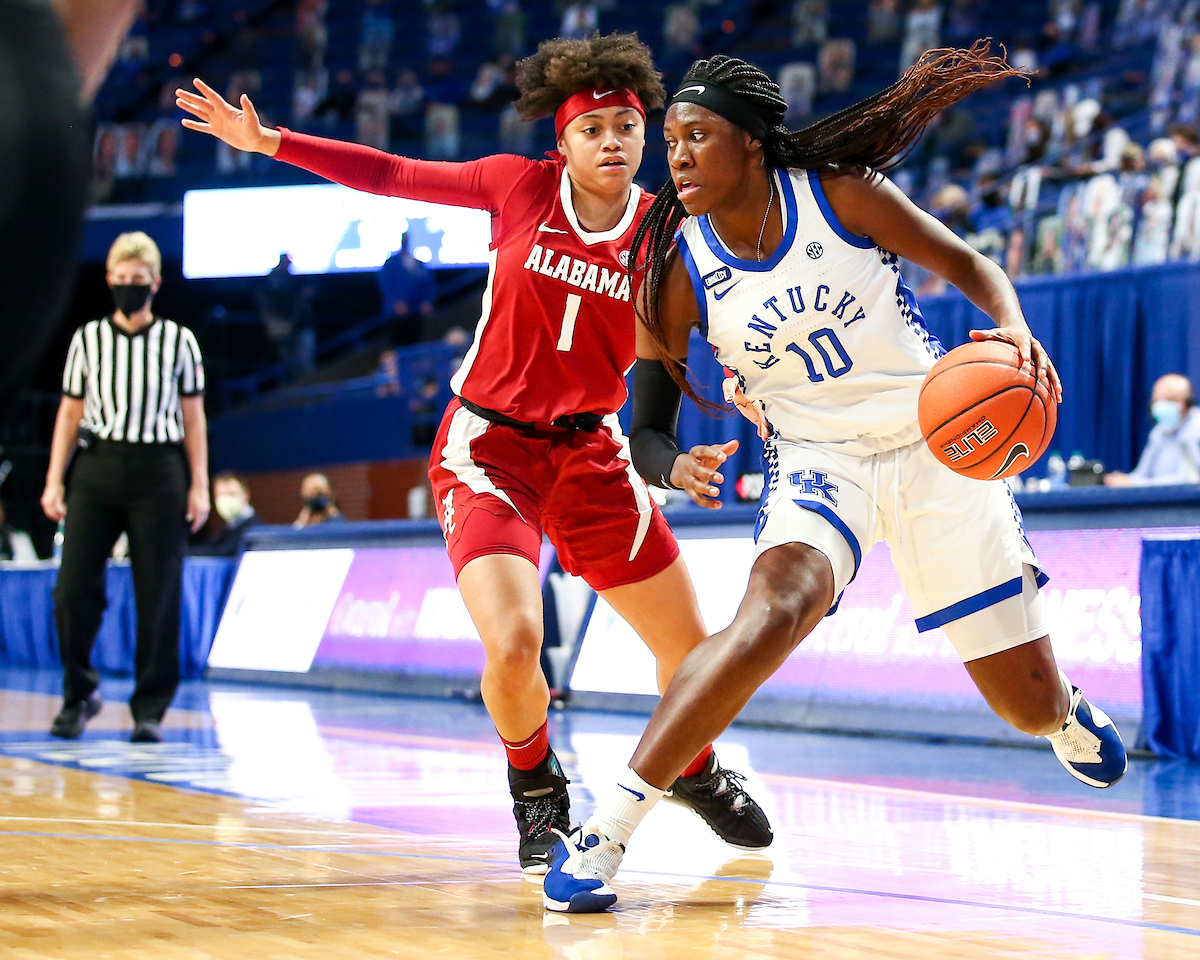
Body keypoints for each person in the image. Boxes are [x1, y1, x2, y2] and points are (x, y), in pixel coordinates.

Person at [544, 47, 1128, 913]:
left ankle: (1065, 711)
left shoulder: (842, 195)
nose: (677, 157)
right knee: (772, 611)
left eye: (698, 136)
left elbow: (975, 269)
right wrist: (673, 465)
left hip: (938, 443)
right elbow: (648, 430)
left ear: (750, 141)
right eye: (670, 141)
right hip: (819, 461)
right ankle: (608, 831)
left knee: (1027, 708)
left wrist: (1012, 329)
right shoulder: (676, 268)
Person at [176, 32, 771, 875]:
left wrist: (745, 383)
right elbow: (391, 173)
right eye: (592, 128)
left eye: (625, 128)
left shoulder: (665, 232)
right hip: (489, 448)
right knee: (517, 641)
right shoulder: (518, 187)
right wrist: (273, 142)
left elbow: (708, 330)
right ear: (561, 142)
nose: (611, 142)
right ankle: (537, 788)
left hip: (591, 451)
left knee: (695, 655)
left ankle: (693, 768)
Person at [41, 231, 209, 744]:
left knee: (158, 592)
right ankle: (79, 693)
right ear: (109, 280)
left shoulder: (179, 341)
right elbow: (69, 412)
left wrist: (199, 485)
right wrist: (54, 478)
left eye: (138, 279)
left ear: (155, 283)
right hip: (97, 466)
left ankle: (150, 708)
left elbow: (194, 418)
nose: (129, 286)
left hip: (159, 469)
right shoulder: (87, 339)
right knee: (72, 591)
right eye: (121, 278)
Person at [1104, 374, 1200, 486]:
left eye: (1170, 399)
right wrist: (1124, 480)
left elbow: (1189, 479)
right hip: (1160, 496)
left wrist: (1135, 483)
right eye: (1157, 400)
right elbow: (1142, 474)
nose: (1161, 405)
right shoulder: (1158, 432)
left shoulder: (1196, 428)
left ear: (1187, 402)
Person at [377, 235, 435, 347]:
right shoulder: (391, 264)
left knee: (416, 343)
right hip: (396, 317)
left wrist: (427, 301)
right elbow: (386, 285)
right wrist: (395, 303)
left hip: (416, 315)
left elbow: (428, 284)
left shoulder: (418, 264)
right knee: (397, 344)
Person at [192, 471, 260, 556]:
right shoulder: (227, 530)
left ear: (245, 495)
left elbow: (222, 552)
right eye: (221, 495)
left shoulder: (254, 529)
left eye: (231, 494)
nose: (227, 500)